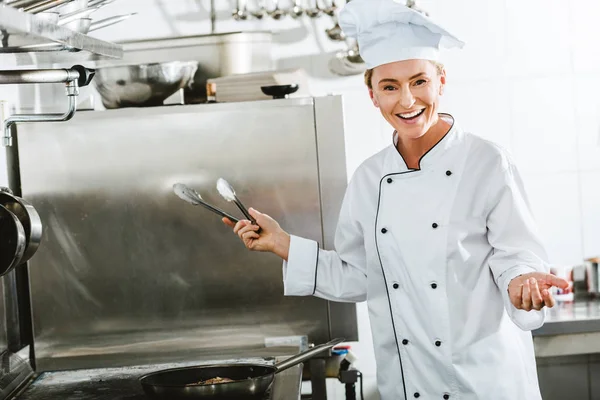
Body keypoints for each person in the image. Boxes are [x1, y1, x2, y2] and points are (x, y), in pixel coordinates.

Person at [224, 0, 569, 398]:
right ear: (372, 94)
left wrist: (523, 282)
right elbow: (359, 274)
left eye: (419, 82)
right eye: (390, 87)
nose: (407, 101)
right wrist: (281, 242)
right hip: (411, 384)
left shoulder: (486, 162)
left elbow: (516, 257)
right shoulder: (370, 178)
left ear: (441, 80)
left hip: (484, 381)